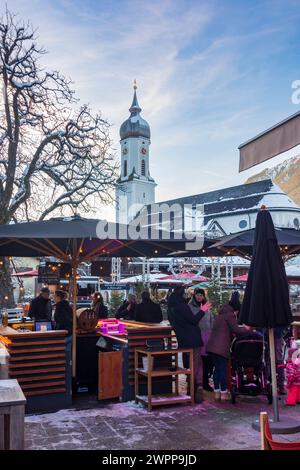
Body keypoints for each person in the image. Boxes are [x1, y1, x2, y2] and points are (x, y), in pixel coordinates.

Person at [168, 286, 210, 403]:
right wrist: (203, 310)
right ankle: (194, 389)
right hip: (192, 339)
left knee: (191, 364)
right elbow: (193, 320)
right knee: (196, 364)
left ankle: (191, 388)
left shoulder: (171, 308)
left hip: (183, 340)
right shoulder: (182, 307)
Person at [206, 303, 250, 402]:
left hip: (212, 346)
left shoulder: (219, 316)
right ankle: (224, 393)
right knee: (222, 370)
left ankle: (217, 393)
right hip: (221, 347)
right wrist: (246, 329)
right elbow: (236, 329)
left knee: (216, 369)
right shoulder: (230, 315)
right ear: (235, 310)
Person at [189, 288, 214, 391]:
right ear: (194, 295)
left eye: (201, 295)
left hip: (207, 336)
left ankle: (205, 382)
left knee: (207, 360)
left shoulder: (207, 307)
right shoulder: (190, 307)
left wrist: (212, 331)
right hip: (197, 335)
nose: (199, 297)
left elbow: (211, 319)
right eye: (197, 295)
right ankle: (196, 382)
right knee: (198, 361)